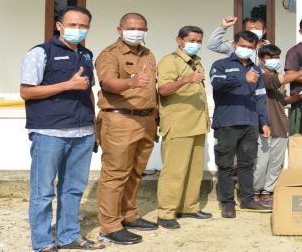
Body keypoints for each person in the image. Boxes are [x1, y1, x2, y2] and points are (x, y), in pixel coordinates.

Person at [20, 6, 104, 252]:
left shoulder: (87, 55)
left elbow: (87, 90)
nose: (78, 30)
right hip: (50, 133)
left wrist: (94, 126)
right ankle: (43, 242)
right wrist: (68, 84)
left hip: (82, 133)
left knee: (74, 189)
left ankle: (69, 236)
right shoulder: (40, 53)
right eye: (72, 25)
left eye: (83, 26)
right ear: (59, 26)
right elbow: (26, 91)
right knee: (43, 192)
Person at [95, 13, 159, 245]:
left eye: (141, 28)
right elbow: (108, 83)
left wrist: (156, 116)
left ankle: (128, 215)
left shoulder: (148, 54)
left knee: (135, 172)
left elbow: (153, 87)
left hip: (146, 120)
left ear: (146, 29)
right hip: (120, 120)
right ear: (119, 29)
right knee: (115, 174)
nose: (136, 31)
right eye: (131, 28)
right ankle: (110, 226)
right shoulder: (110, 54)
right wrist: (130, 82)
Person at [209, 30, 273, 218]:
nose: (246, 49)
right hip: (227, 122)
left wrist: (264, 122)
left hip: (250, 123)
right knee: (226, 165)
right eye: (242, 46)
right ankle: (227, 203)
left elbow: (260, 98)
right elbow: (217, 84)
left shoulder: (256, 70)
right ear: (234, 45)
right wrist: (242, 79)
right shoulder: (220, 65)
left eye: (250, 47)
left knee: (247, 164)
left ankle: (247, 199)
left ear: (255, 49)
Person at [155, 26, 211, 229]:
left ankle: (189, 207)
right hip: (178, 125)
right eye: (192, 40)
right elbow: (163, 89)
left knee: (194, 170)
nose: (196, 44)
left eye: (199, 40)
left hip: (197, 124)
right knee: (174, 171)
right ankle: (166, 213)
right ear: (179, 40)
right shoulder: (171, 61)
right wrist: (187, 79)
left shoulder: (195, 61)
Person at [253, 45, 302, 204]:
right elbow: (272, 82)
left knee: (276, 163)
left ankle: (267, 192)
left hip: (280, 124)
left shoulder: (278, 77)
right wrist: (301, 72)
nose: (275, 60)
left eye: (277, 57)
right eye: (271, 57)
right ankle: (254, 191)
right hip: (263, 124)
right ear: (261, 59)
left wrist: (300, 97)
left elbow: (283, 99)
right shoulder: (258, 73)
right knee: (260, 162)